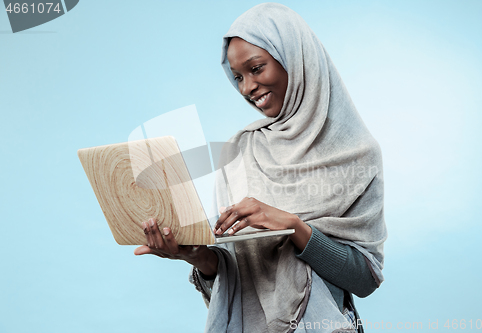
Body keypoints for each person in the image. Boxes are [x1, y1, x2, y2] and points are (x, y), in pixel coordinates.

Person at [134, 3, 387, 333]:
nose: (247, 88)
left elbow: (365, 279)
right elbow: (231, 286)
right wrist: (197, 257)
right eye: (237, 77)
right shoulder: (241, 149)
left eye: (256, 69)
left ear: (294, 59)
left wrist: (294, 228)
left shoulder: (357, 154)